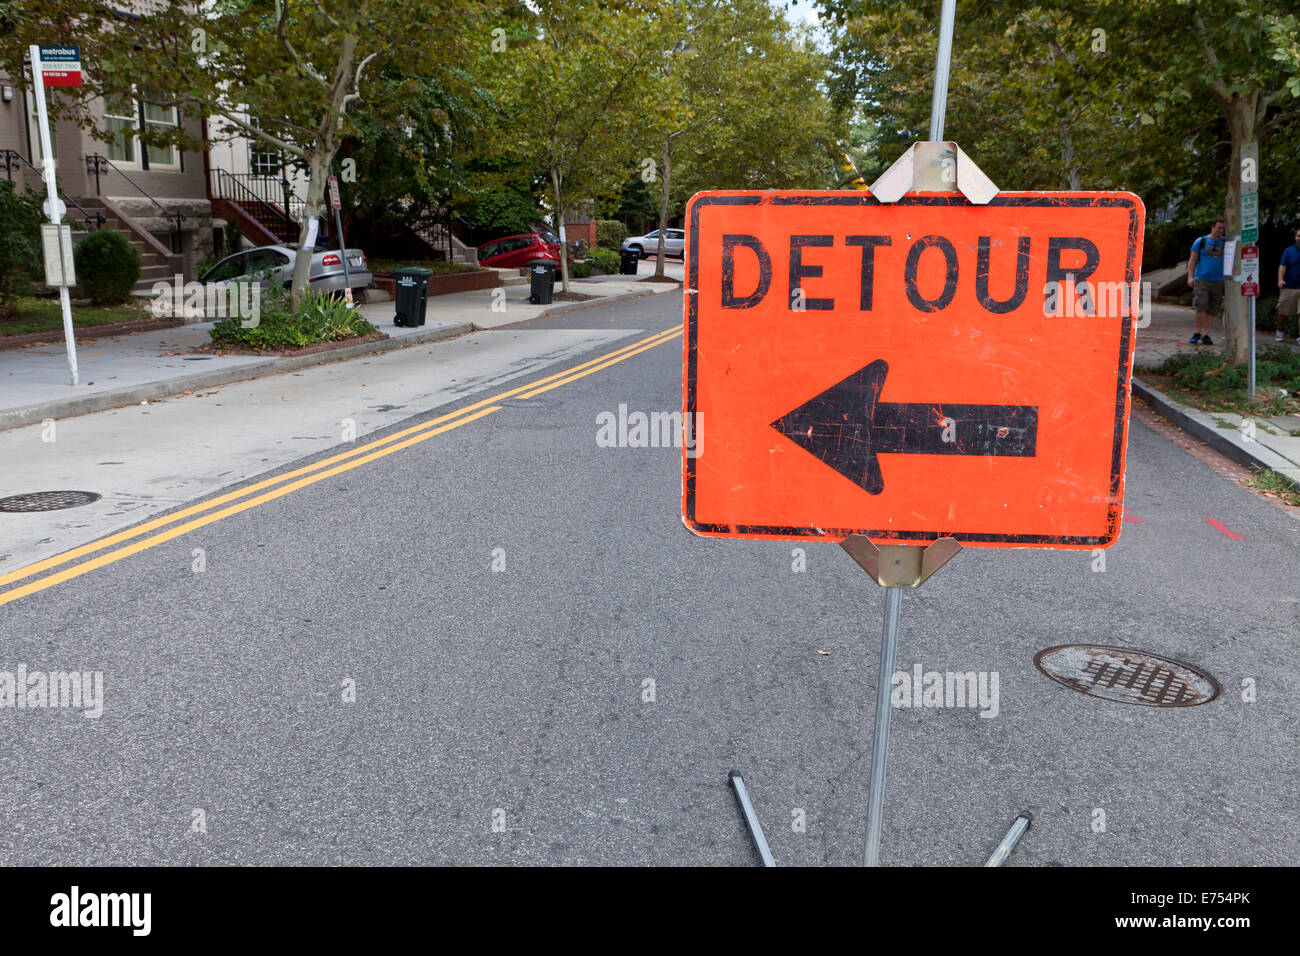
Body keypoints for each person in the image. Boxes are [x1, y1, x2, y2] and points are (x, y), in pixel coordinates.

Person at [1186, 218, 1226, 345]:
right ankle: (1197, 332)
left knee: (1213, 308)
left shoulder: (1225, 242)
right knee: (1201, 305)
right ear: (1212, 227)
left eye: (1223, 228)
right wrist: (1190, 276)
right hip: (1202, 278)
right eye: (1219, 227)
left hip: (1218, 280)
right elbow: (1192, 260)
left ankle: (1206, 334)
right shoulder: (1201, 241)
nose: (1221, 230)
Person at [1277, 227, 1300, 342]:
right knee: (1283, 313)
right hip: (1289, 286)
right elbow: (1282, 266)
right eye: (1299, 236)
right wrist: (1280, 280)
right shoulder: (1288, 251)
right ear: (1295, 237)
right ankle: (1280, 330)